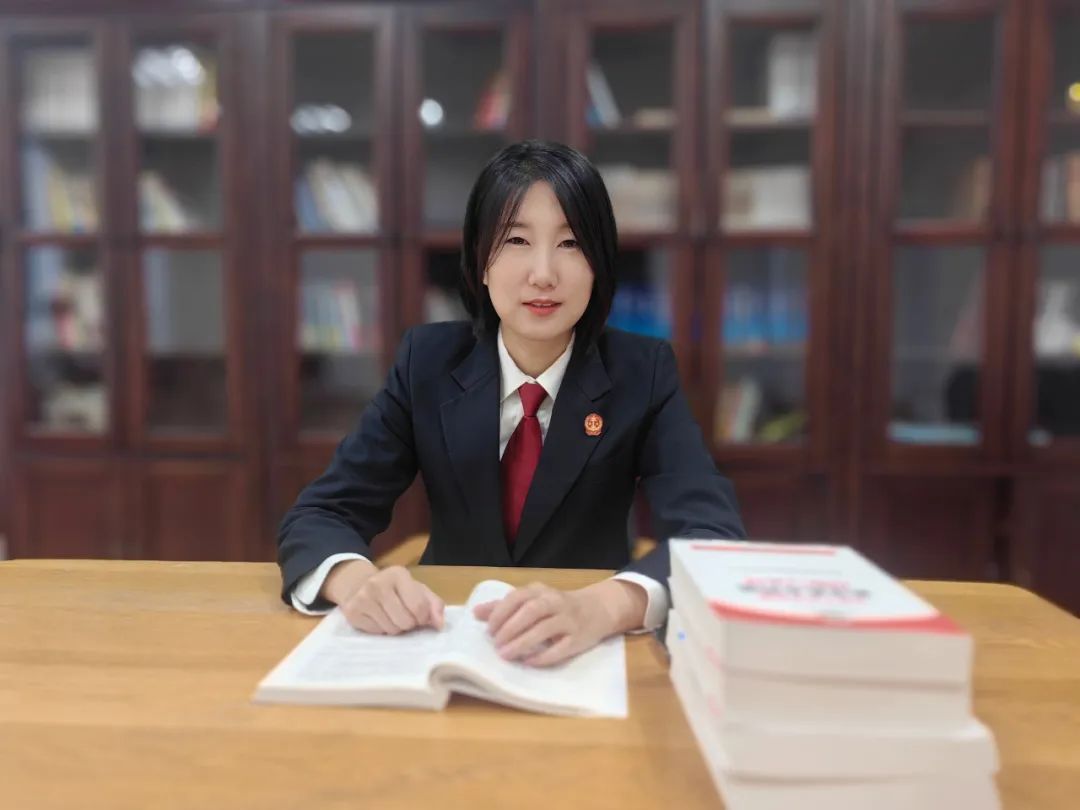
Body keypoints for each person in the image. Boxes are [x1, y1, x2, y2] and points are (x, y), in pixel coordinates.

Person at [277, 139, 744, 667]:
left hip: (584, 652)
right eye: (517, 240)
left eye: (570, 243)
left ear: (599, 264)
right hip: (444, 633)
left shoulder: (643, 372)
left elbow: (713, 535)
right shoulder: (427, 362)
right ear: (480, 260)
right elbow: (322, 512)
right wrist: (356, 582)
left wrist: (604, 607)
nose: (543, 273)